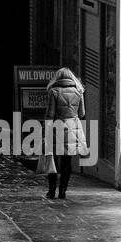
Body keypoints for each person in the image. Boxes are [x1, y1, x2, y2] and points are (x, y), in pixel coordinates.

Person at [44, 67, 87, 199]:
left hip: (57, 127)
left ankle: (51, 191)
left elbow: (50, 114)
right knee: (67, 162)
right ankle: (63, 191)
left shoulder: (54, 91)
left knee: (53, 160)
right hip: (73, 128)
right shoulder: (79, 91)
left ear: (57, 78)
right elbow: (82, 114)